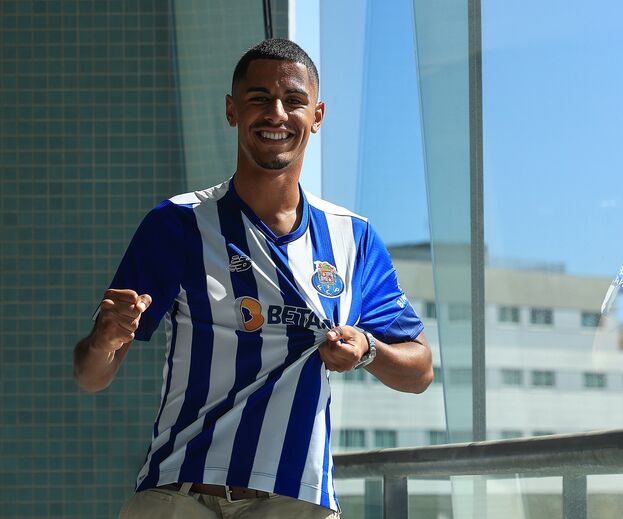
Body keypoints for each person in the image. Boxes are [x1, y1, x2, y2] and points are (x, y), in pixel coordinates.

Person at [73, 38, 433, 519]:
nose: (276, 113)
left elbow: (419, 370)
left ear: (317, 116)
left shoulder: (353, 237)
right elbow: (90, 376)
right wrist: (105, 337)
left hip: (295, 503)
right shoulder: (179, 223)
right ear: (232, 110)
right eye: (259, 98)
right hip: (179, 495)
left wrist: (368, 349)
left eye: (294, 100)